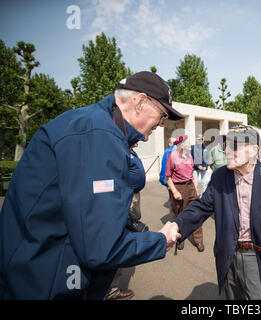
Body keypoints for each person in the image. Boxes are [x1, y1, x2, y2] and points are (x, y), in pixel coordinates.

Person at [0, 71, 182, 299]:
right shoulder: (99, 136)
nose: (161, 124)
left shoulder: (90, 125)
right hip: (46, 283)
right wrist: (160, 240)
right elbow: (101, 248)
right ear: (140, 101)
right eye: (162, 115)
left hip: (37, 270)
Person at [171, 125, 261, 300]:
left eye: (234, 146)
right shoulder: (220, 177)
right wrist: (176, 226)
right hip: (228, 257)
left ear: (254, 150)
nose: (227, 150)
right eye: (226, 145)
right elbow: (201, 207)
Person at [106, 143, 144, 300]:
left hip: (133, 199)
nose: (137, 140)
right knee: (117, 243)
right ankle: (111, 290)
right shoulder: (117, 150)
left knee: (130, 233)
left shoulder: (131, 151)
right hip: (123, 201)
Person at [166, 135, 204, 252]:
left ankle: (198, 240)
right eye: (188, 143)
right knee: (180, 215)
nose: (190, 145)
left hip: (191, 186)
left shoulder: (189, 156)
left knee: (196, 213)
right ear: (181, 145)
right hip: (179, 187)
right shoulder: (172, 156)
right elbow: (168, 177)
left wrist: (195, 188)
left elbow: (191, 173)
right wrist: (175, 191)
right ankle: (180, 239)